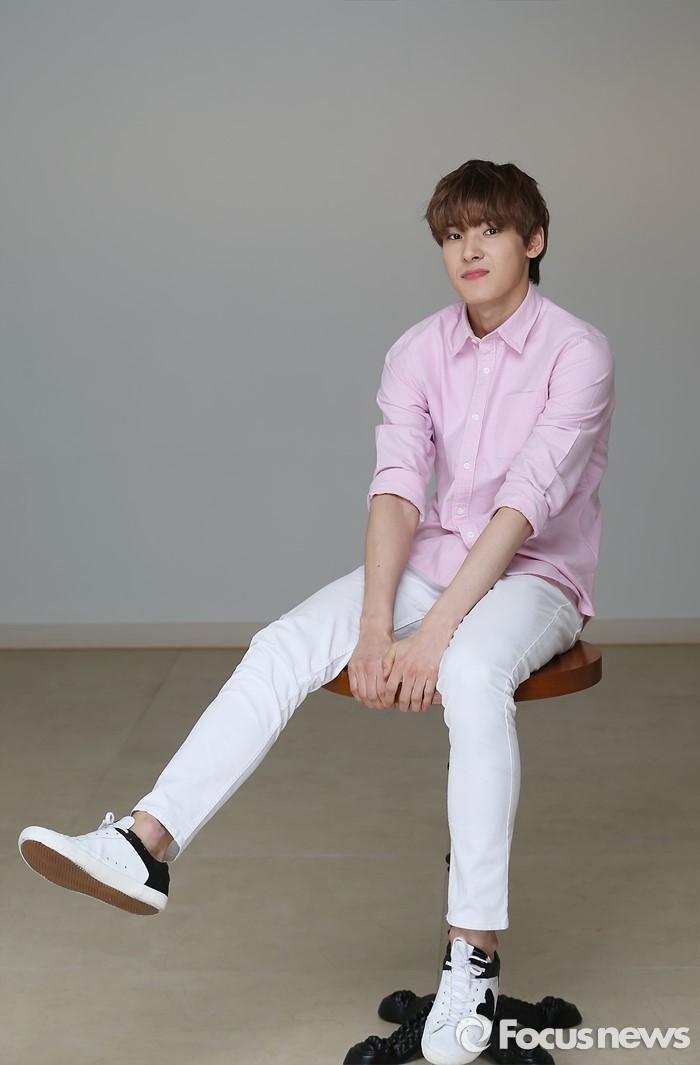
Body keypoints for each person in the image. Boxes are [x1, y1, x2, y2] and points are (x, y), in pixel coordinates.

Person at [18, 159, 614, 1065]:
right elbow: (397, 490)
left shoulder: (578, 351)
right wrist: (376, 628)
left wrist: (434, 635)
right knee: (285, 642)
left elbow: (524, 503)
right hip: (435, 559)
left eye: (489, 229)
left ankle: (473, 959)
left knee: (470, 671)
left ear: (533, 240)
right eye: (453, 234)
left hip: (534, 574)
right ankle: (144, 843)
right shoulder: (416, 350)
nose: (469, 248)